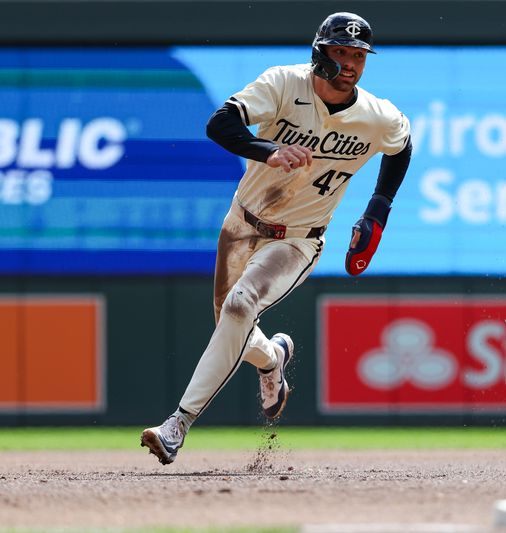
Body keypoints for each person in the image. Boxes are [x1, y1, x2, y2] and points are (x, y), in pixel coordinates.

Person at [140, 12, 412, 465]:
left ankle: (177, 425)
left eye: (358, 56)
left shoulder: (375, 115)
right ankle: (272, 360)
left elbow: (401, 145)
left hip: (298, 240)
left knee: (240, 307)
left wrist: (377, 209)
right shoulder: (284, 84)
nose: (349, 64)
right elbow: (220, 123)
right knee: (235, 329)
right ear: (319, 52)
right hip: (241, 224)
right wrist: (269, 150)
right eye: (340, 52)